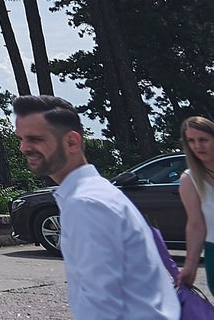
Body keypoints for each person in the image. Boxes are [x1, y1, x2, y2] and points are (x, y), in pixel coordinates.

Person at [14, 94, 179, 319]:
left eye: (35, 139)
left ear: (72, 142)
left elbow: (103, 305)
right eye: (21, 139)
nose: (24, 147)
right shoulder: (97, 192)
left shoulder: (85, 204)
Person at [179, 116, 214, 296]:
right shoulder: (189, 179)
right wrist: (190, 266)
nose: (197, 146)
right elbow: (195, 225)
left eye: (203, 140)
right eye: (191, 141)